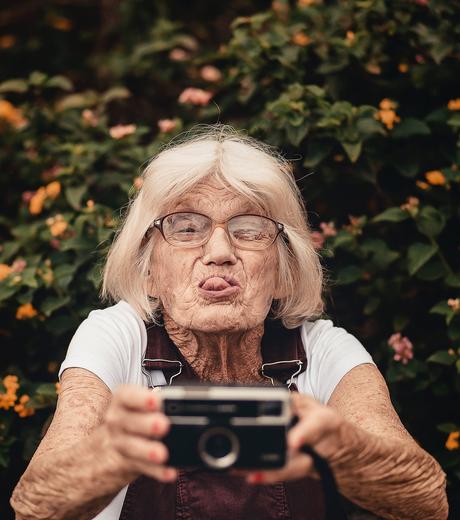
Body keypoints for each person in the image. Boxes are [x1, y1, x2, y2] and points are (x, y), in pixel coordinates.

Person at [11, 125, 448, 520]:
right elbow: (35, 506)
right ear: (148, 268)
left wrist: (342, 445)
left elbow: (428, 502)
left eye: (250, 229)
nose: (219, 251)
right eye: (186, 227)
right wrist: (111, 453)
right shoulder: (116, 335)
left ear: (282, 269)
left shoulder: (323, 349)